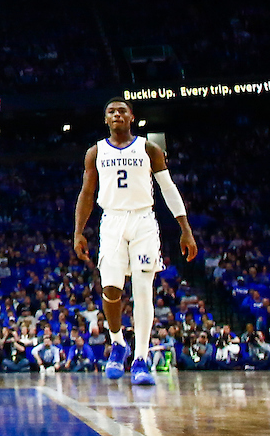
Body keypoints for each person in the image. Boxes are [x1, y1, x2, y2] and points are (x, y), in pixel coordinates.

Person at [73, 98, 197, 387]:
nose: (116, 114)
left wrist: (185, 228)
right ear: (106, 120)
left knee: (143, 290)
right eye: (111, 112)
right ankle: (118, 343)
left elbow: (168, 188)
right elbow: (87, 193)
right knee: (111, 289)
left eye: (121, 111)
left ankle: (140, 358)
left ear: (132, 117)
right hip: (112, 221)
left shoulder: (149, 148)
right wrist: (79, 231)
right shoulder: (95, 152)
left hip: (143, 221)